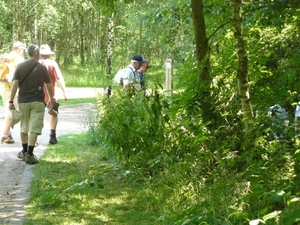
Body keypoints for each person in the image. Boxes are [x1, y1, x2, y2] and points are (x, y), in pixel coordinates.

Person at [9, 44, 54, 164]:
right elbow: (49, 86)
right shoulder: (41, 67)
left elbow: (15, 85)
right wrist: (51, 99)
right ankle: (30, 154)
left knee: (24, 126)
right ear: (38, 54)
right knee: (34, 127)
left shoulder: (20, 66)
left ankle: (24, 152)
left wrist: (10, 101)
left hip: (23, 101)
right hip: (38, 101)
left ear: (28, 53)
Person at [39, 44, 68, 144]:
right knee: (53, 113)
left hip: (37, 94)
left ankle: (33, 137)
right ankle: (52, 135)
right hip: (51, 94)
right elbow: (58, 78)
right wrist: (64, 91)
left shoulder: (34, 63)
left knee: (37, 115)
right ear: (49, 55)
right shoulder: (52, 64)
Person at [0, 41, 25, 144]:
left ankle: (8, 135)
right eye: (23, 49)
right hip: (11, 87)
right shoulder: (18, 59)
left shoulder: (6, 56)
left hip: (3, 85)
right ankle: (5, 135)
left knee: (8, 109)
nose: (23, 51)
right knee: (12, 111)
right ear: (19, 49)